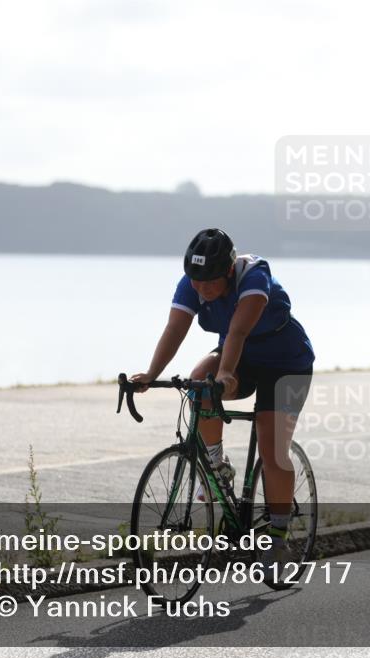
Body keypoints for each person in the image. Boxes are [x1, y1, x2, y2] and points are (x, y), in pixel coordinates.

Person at [129, 228, 315, 574]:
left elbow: (239, 331)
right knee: (200, 383)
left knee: (272, 446)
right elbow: (175, 329)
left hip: (286, 363)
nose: (201, 289)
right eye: (195, 281)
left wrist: (227, 372)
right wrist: (151, 373)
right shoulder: (193, 282)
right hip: (239, 355)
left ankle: (277, 535)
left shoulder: (254, 276)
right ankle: (216, 465)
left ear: (228, 271)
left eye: (209, 283)